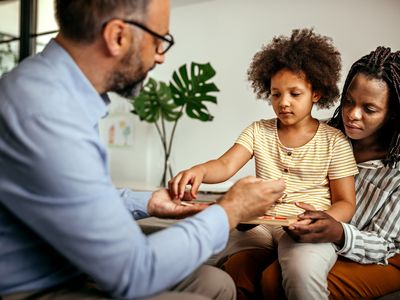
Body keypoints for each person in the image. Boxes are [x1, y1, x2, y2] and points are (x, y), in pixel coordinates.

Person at [0, 1, 286, 299]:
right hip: (36, 286)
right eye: (159, 41)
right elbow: (133, 271)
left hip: (69, 262)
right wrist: (232, 210)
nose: (160, 57)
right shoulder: (47, 112)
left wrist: (149, 201)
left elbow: (72, 200)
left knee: (216, 282)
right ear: (117, 36)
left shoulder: (54, 88)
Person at [169, 28, 358, 300]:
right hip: (259, 225)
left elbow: (346, 203)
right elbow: (225, 165)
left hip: (305, 228)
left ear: (316, 93)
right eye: (276, 94)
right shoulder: (259, 130)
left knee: (302, 274)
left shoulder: (334, 141)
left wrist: (324, 220)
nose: (283, 103)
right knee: (236, 272)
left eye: (295, 94)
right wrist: (198, 171)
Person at [222, 46, 400, 300]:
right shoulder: (321, 135)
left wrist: (338, 232)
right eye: (348, 101)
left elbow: (386, 244)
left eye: (369, 109)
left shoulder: (396, 170)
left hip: (382, 253)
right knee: (239, 270)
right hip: (306, 236)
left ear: (393, 114)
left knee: (275, 281)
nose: (352, 114)